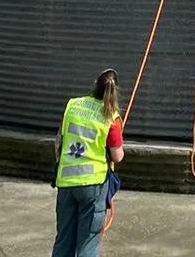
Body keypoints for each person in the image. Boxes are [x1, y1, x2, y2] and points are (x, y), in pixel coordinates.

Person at [51, 68, 125, 257]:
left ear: (94, 84)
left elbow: (58, 140)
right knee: (88, 242)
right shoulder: (111, 117)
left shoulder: (72, 105)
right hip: (93, 186)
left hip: (66, 183)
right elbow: (117, 156)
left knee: (63, 240)